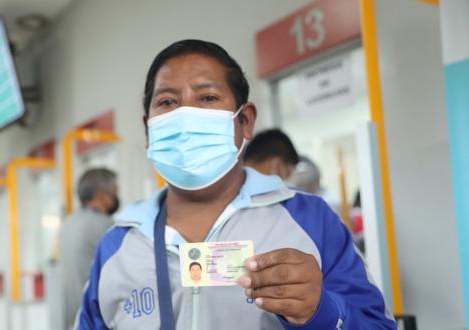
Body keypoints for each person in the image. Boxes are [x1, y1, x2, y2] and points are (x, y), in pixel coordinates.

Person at [77, 40, 396, 329]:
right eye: (168, 102)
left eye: (208, 97)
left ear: (245, 121)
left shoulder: (309, 219)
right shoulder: (119, 245)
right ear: (148, 129)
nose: (187, 116)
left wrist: (323, 311)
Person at [57, 168, 119, 329]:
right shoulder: (105, 225)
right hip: (95, 318)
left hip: (72, 318)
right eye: (114, 190)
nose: (116, 196)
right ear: (102, 194)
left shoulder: (68, 224)